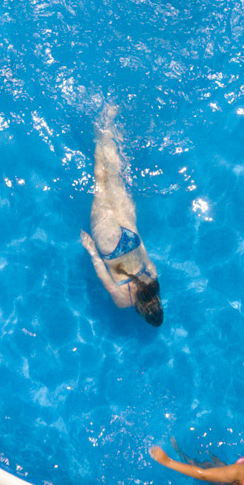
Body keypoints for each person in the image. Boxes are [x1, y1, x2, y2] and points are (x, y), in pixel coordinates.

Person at [78, 104, 163, 326]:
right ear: (143, 313)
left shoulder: (153, 279)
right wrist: (91, 250)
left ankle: (110, 124)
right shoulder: (124, 302)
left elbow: (143, 250)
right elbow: (104, 278)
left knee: (115, 176)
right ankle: (100, 130)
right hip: (110, 247)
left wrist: (129, 225)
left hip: (131, 236)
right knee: (100, 183)